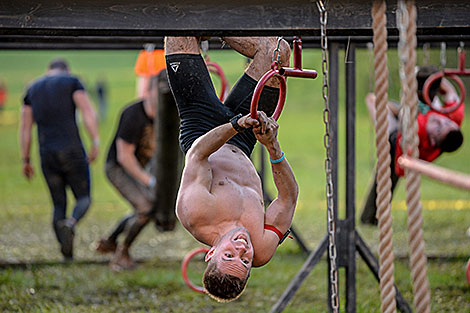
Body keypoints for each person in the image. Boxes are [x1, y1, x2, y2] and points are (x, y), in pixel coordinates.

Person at [165, 36, 299, 302]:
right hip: (244, 139)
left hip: (202, 129)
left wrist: (235, 125)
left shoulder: (197, 214)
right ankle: (220, 20)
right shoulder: (262, 247)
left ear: (211, 254)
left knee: (179, 33)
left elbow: (198, 155)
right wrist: (272, 146)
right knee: (278, 52)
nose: (242, 249)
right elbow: (288, 198)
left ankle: (208, 22)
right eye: (246, 261)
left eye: (229, 254)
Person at [360, 65, 465, 225]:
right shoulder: (452, 117)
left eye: (438, 129)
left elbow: (405, 119)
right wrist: (435, 78)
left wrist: (410, 84)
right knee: (422, 97)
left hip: (397, 142)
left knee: (373, 101)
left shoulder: (419, 136)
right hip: (411, 115)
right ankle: (369, 217)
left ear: (431, 141)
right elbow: (450, 92)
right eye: (446, 123)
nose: (441, 121)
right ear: (454, 124)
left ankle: (369, 217)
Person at [20, 58, 99, 260]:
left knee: (58, 205)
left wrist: (26, 160)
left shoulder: (32, 89)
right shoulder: (72, 82)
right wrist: (95, 141)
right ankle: (71, 224)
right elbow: (87, 111)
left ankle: (67, 254)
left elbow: (25, 128)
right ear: (66, 70)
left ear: (49, 71)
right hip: (72, 151)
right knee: (83, 197)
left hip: (47, 154)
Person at [96, 71, 165, 271]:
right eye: (160, 93)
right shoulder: (133, 114)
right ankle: (121, 253)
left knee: (145, 209)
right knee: (145, 208)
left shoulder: (166, 117)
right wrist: (148, 180)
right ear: (150, 92)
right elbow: (124, 156)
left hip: (139, 168)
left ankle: (109, 241)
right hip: (118, 167)